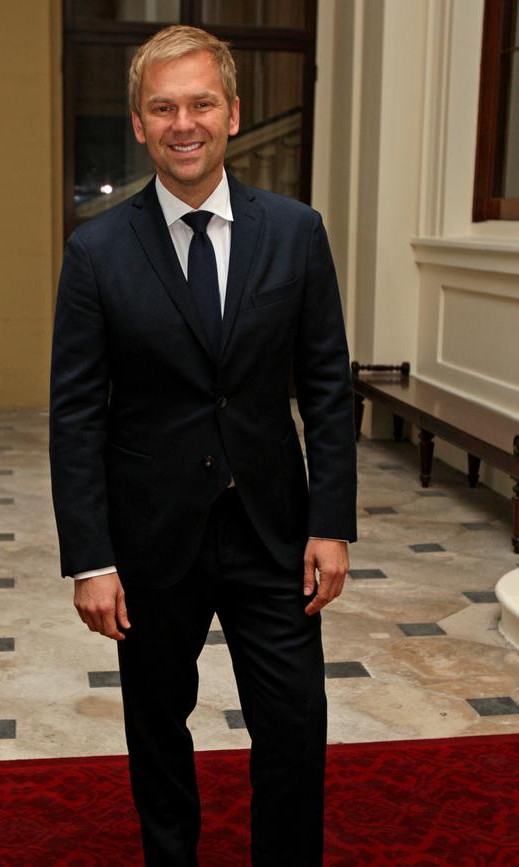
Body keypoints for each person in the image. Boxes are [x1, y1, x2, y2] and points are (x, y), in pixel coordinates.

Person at [49, 25, 357, 867]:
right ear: (141, 125)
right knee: (156, 729)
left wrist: (331, 521)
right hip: (151, 539)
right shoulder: (96, 251)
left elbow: (328, 385)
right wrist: (91, 558)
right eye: (163, 107)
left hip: (275, 535)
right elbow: (76, 414)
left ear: (232, 112)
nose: (183, 122)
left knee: (294, 728)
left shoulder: (297, 233)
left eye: (200, 103)